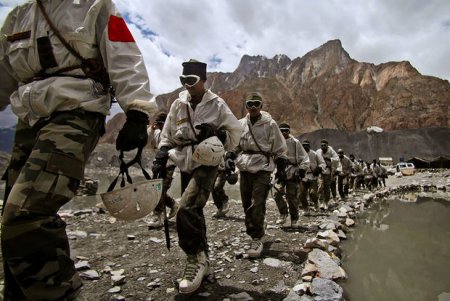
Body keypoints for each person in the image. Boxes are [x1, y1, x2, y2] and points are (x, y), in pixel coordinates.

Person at [0, 1, 157, 300]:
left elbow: (125, 57)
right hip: (28, 118)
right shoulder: (17, 17)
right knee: (13, 220)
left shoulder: (95, 6)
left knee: (26, 213)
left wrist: (137, 112)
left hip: (76, 110)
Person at [151, 59, 241, 294]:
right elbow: (168, 134)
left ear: (203, 80)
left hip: (208, 161)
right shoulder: (178, 105)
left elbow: (234, 132)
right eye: (183, 81)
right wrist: (162, 154)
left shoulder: (217, 104)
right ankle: (204, 258)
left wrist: (219, 135)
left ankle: (194, 260)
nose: (187, 86)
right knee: (195, 210)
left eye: (191, 81)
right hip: (184, 160)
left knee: (186, 208)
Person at [225, 92, 287, 258]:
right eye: (249, 104)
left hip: (263, 168)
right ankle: (257, 228)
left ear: (261, 106)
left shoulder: (270, 124)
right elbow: (235, 145)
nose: (252, 107)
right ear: (246, 106)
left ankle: (256, 238)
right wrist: (230, 156)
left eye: (256, 104)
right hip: (244, 168)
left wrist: (281, 166)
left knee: (257, 203)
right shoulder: (240, 124)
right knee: (246, 205)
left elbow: (279, 147)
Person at [146, 112, 179, 227]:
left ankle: (157, 216)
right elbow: (146, 142)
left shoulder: (173, 133)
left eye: (162, 124)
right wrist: (151, 129)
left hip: (169, 165)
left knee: (160, 189)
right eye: (158, 124)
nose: (160, 126)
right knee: (155, 188)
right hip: (157, 164)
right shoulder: (156, 133)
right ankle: (173, 204)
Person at [273, 123, 309, 227]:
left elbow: (305, 158)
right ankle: (283, 214)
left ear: (289, 131)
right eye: (281, 130)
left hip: (292, 171)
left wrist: (301, 170)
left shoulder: (295, 142)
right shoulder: (275, 142)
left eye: (286, 130)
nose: (284, 133)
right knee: (276, 193)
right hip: (279, 171)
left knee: (291, 196)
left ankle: (294, 218)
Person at [300, 139, 326, 211]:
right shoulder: (299, 154)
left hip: (312, 176)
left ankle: (316, 204)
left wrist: (318, 169)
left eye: (306, 145)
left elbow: (322, 163)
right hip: (303, 176)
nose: (305, 147)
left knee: (313, 193)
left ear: (309, 146)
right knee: (302, 194)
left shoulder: (314, 154)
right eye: (303, 145)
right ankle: (305, 209)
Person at [316, 139, 339, 209]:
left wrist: (329, 159)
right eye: (321, 145)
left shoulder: (331, 151)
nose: (323, 147)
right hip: (321, 172)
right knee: (320, 186)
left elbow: (337, 159)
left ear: (327, 145)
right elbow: (315, 159)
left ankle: (326, 202)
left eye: (324, 145)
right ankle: (320, 201)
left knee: (327, 188)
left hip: (328, 172)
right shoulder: (318, 152)